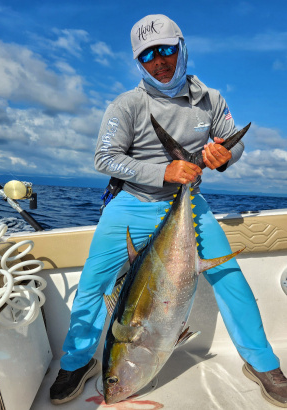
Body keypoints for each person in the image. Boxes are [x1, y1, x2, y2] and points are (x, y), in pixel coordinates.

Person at [50, 14, 287, 407]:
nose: (159, 61)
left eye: (166, 50)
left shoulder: (211, 100)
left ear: (181, 48)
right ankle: (77, 363)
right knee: (93, 284)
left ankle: (261, 363)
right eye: (147, 56)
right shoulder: (127, 104)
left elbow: (234, 143)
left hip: (188, 206)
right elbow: (105, 157)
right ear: (139, 62)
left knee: (231, 279)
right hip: (132, 203)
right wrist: (164, 170)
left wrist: (225, 155)